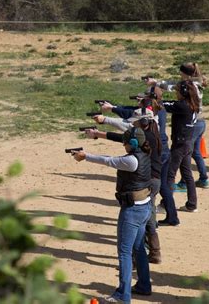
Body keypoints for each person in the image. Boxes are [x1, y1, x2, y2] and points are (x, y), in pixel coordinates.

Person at [72, 127, 152, 303]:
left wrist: (86, 156)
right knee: (138, 248)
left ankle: (124, 296)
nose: (123, 144)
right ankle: (144, 285)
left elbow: (108, 161)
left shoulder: (131, 161)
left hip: (132, 212)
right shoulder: (145, 154)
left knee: (124, 252)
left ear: (131, 143)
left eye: (125, 141)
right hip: (145, 207)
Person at [85, 111, 162, 264]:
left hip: (145, 182)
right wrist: (99, 132)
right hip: (153, 181)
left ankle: (137, 258)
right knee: (149, 219)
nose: (132, 124)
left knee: (137, 223)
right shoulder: (151, 134)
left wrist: (97, 135)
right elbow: (125, 137)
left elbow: (121, 140)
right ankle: (155, 252)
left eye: (135, 122)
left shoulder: (145, 138)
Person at [146, 63, 209, 190]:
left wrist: (156, 84)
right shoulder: (196, 82)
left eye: (181, 74)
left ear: (185, 74)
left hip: (193, 124)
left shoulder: (191, 85)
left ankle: (184, 183)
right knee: (194, 152)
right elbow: (175, 85)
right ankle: (202, 179)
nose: (180, 76)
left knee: (182, 155)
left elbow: (173, 87)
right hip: (199, 122)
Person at [161, 80, 200, 216]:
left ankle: (165, 204)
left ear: (183, 93)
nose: (176, 93)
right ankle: (192, 204)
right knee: (187, 174)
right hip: (188, 143)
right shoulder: (193, 104)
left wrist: (154, 97)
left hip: (180, 145)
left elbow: (162, 105)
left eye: (178, 91)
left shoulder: (182, 106)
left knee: (169, 175)